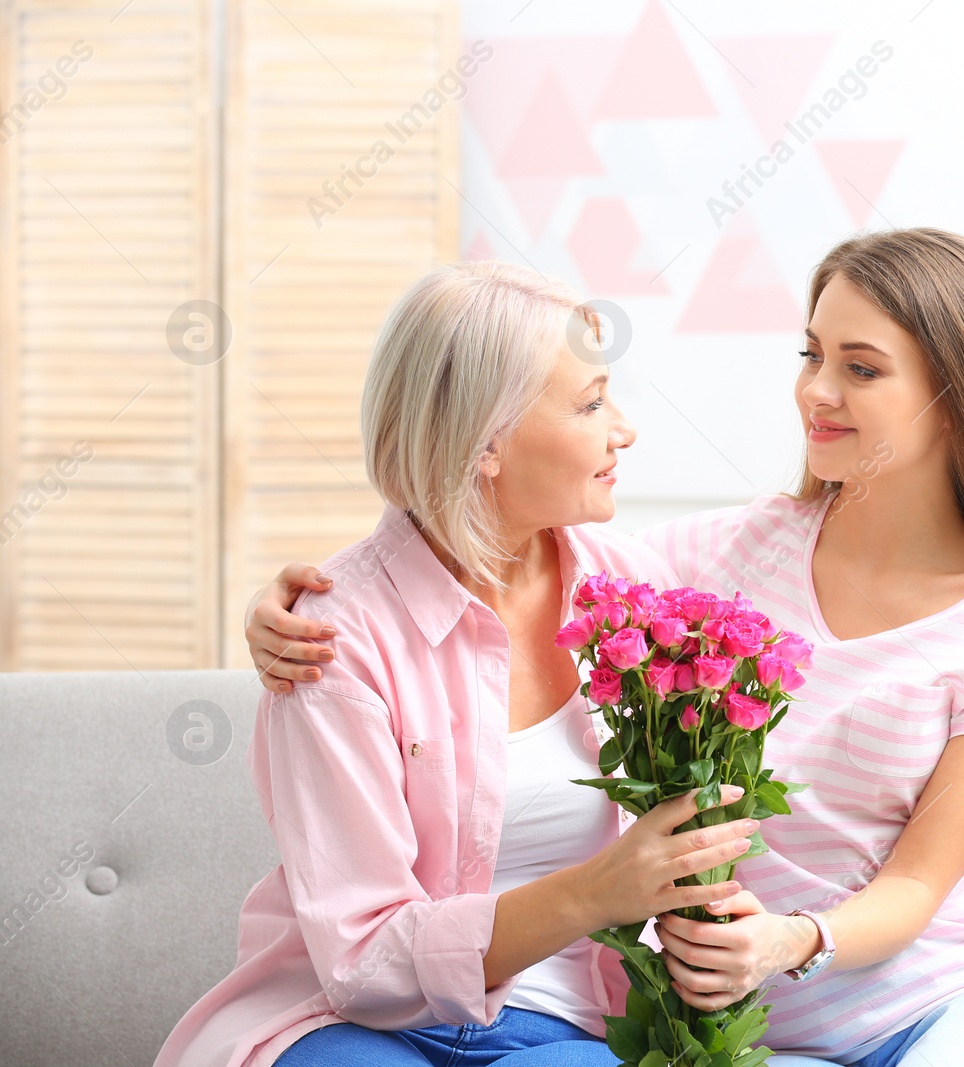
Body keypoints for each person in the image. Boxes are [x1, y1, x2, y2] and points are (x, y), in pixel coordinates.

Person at [246, 229, 964, 1066]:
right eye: (811, 356)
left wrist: (866, 891)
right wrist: (288, 606)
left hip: (946, 991)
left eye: (860, 368)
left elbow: (916, 879)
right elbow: (467, 555)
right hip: (766, 1032)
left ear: (961, 393)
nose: (816, 392)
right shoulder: (715, 562)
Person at [155, 264, 760, 1067]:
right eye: (589, 403)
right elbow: (365, 961)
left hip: (568, 1025)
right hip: (353, 1025)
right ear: (486, 445)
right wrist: (595, 891)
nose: (625, 429)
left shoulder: (637, 592)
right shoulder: (332, 641)